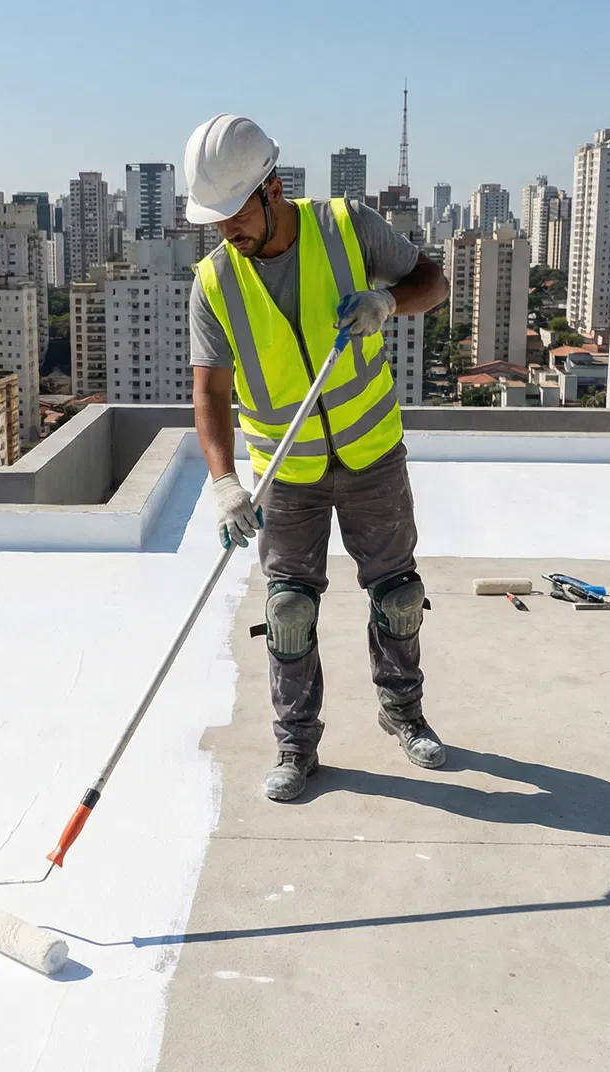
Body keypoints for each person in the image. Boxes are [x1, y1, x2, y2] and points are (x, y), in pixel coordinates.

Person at [183, 114, 451, 802]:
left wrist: (387, 301)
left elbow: (434, 282)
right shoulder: (214, 282)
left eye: (233, 214)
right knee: (290, 612)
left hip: (372, 458)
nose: (225, 232)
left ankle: (404, 715)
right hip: (288, 477)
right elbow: (209, 393)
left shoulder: (345, 227)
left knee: (397, 597)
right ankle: (295, 746)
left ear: (271, 188)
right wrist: (222, 483)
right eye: (212, 220)